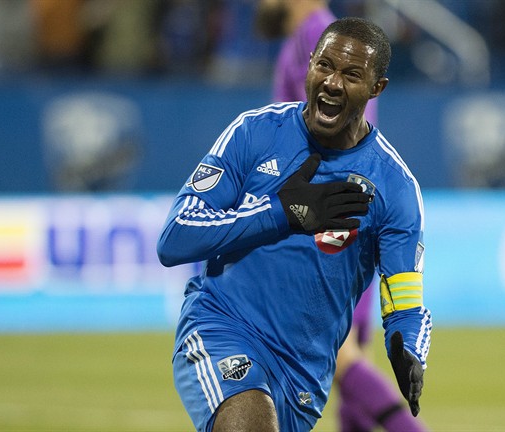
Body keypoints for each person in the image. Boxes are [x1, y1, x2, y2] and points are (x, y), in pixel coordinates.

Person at [157, 17, 432, 432]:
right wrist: (281, 213)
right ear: (309, 64)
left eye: (351, 75)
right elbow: (174, 237)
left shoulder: (395, 187)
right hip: (222, 327)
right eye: (325, 66)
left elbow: (405, 297)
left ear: (377, 88)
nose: (332, 83)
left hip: (304, 374)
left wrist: (408, 345)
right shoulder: (254, 132)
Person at [255, 1, 428, 431]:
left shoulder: (321, 38)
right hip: (340, 208)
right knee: (348, 360)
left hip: (329, 216)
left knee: (339, 355)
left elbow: (329, 132)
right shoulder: (315, 36)